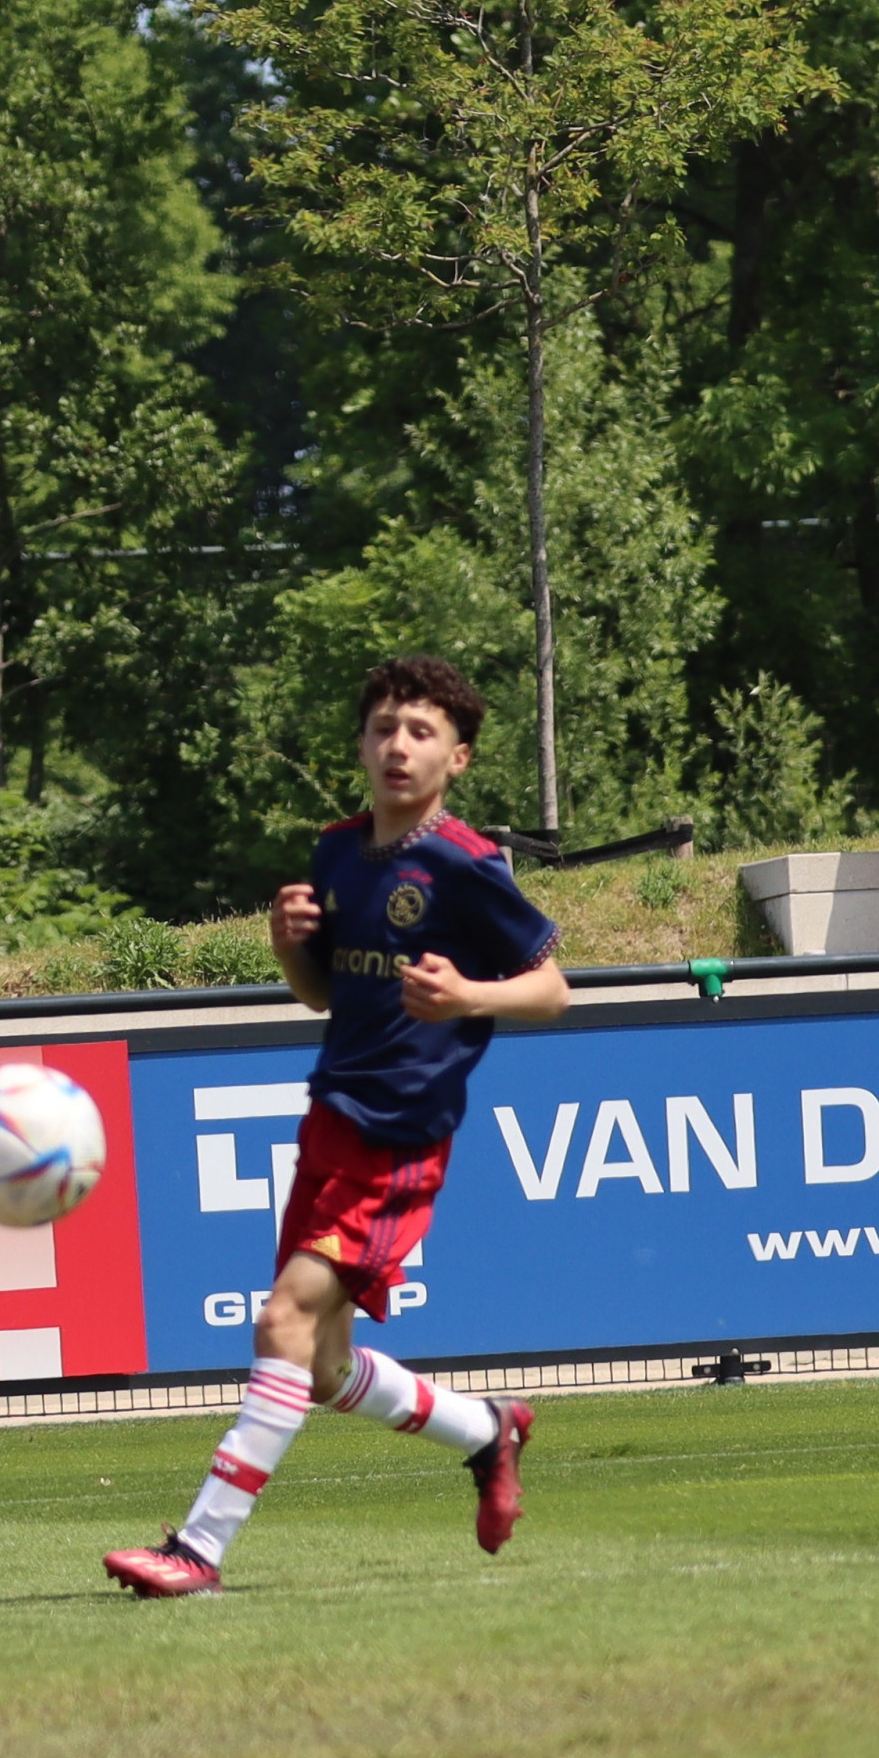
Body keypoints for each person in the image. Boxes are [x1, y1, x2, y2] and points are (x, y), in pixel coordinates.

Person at [106, 656, 569, 1597]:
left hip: (401, 1138)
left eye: (423, 731)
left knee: (281, 1322)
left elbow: (553, 987)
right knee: (316, 1364)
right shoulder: (336, 852)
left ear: (459, 757)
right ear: (361, 744)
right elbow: (323, 995)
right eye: (385, 727)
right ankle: (487, 1431)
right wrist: (288, 949)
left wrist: (470, 994)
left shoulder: (467, 864)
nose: (400, 744)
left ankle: (197, 1549)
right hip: (329, 1121)